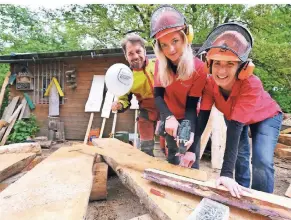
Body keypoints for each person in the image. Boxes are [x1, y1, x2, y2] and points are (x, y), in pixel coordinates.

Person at [196, 22, 282, 197]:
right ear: (209, 64)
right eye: (217, 63)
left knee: (261, 160)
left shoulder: (251, 84)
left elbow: (235, 130)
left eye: (230, 64)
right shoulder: (210, 83)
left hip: (266, 117)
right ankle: (241, 194)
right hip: (234, 116)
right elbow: (202, 117)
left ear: (242, 68)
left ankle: (261, 201)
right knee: (241, 156)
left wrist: (225, 175)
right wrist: (191, 148)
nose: (221, 70)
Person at [150, 5, 207, 168]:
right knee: (172, 160)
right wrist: (168, 117)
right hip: (168, 115)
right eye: (164, 45)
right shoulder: (159, 64)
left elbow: (191, 106)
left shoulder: (199, 68)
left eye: (175, 41)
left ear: (185, 38)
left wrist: (190, 135)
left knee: (190, 160)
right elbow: (158, 96)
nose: (171, 49)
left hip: (189, 116)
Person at [111, 33, 165, 157]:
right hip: (147, 112)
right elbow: (124, 99)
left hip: (167, 111)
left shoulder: (159, 64)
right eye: (130, 53)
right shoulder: (126, 77)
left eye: (138, 51)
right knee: (146, 149)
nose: (135, 56)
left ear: (144, 51)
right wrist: (119, 104)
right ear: (126, 56)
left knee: (170, 149)